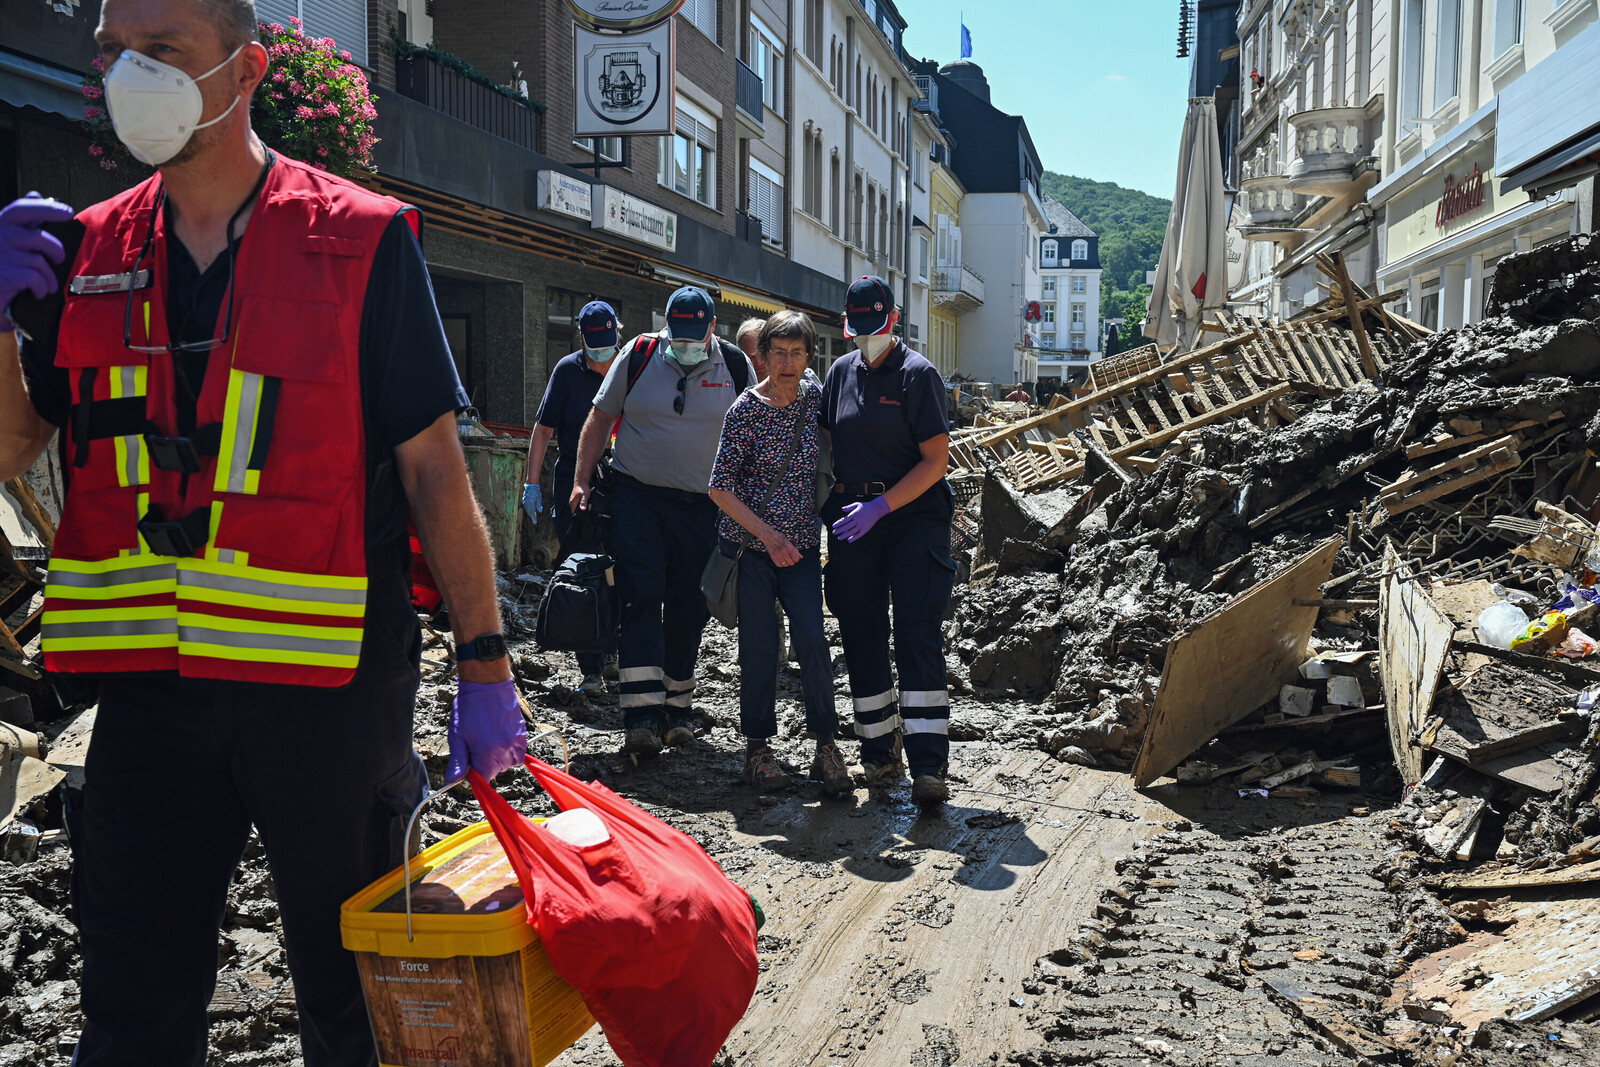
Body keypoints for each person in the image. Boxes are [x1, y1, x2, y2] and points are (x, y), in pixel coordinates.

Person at [0, 0, 525, 1062]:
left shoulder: (361, 239)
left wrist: (483, 660)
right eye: (112, 52)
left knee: (356, 1003)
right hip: (150, 698)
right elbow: (10, 450)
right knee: (132, 1008)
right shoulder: (85, 251)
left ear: (245, 69)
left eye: (160, 52)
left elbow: (432, 466)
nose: (123, 75)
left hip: (327, 696)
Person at [570, 287, 754, 756]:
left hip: (704, 507)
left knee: (690, 606)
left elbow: (753, 433)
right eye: (679, 334)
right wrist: (581, 480)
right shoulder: (640, 353)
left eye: (696, 335)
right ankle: (640, 717)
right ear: (666, 325)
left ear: (714, 328)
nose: (687, 344)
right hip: (638, 499)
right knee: (642, 597)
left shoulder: (734, 366)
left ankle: (677, 712)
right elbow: (599, 418)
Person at [820, 276, 957, 810]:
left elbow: (935, 462)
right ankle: (878, 751)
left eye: (875, 328)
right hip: (855, 520)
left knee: (916, 633)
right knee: (861, 632)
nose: (867, 338)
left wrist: (883, 506)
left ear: (893, 321)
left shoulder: (918, 376)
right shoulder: (840, 373)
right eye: (859, 329)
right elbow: (827, 440)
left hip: (912, 518)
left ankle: (928, 765)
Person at [708, 311, 847, 795]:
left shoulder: (814, 401)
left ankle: (826, 745)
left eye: (798, 352)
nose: (787, 363)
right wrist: (770, 537)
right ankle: (758, 749)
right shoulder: (745, 410)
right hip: (754, 550)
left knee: (812, 640)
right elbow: (720, 489)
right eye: (778, 353)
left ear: (809, 357)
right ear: (762, 356)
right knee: (760, 648)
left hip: (805, 549)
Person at [524, 300, 620, 694]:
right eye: (595, 347)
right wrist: (532, 484)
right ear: (583, 340)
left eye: (608, 345)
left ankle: (613, 650)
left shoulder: (628, 364)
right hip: (572, 486)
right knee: (582, 570)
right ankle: (591, 669)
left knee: (619, 569)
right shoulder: (567, 371)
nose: (602, 356)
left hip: (618, 483)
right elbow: (543, 430)